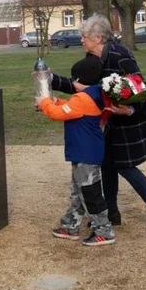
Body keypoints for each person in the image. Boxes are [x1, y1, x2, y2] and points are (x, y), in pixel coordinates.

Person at [51, 14, 146, 238]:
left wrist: (129, 110)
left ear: (98, 38)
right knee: (107, 164)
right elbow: (82, 88)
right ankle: (111, 213)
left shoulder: (120, 57)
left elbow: (141, 90)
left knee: (124, 166)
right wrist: (50, 79)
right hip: (110, 122)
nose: (81, 40)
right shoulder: (94, 58)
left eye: (85, 36)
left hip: (131, 120)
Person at [37, 54, 115, 247]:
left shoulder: (82, 98)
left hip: (85, 154)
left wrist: (44, 102)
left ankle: (104, 230)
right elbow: (72, 108)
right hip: (84, 153)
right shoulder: (94, 93)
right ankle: (70, 224)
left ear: (79, 81)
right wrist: (55, 101)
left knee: (90, 193)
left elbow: (57, 114)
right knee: (79, 191)